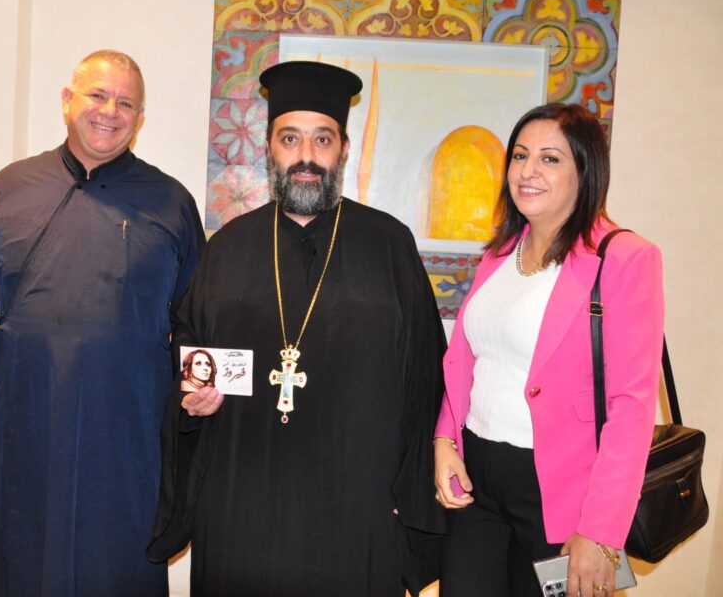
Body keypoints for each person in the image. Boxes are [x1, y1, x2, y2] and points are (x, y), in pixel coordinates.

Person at [148, 60, 447, 596]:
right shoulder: (228, 249)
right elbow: (188, 360)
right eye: (290, 138)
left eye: (322, 139)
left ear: (344, 150)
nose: (306, 156)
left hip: (356, 508)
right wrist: (192, 405)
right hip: (242, 504)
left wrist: (412, 494)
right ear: (269, 147)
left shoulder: (389, 246)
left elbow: (427, 381)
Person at [0, 49, 205, 596]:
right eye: (97, 95)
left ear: (140, 117)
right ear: (67, 100)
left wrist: (202, 387)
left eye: (126, 103)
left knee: (116, 561)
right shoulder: (10, 188)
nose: (110, 111)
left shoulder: (171, 203)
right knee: (23, 556)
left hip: (125, 431)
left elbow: (196, 320)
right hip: (26, 421)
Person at [433, 103, 665, 597]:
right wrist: (445, 440)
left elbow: (633, 404)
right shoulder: (500, 253)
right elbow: (468, 362)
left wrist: (601, 532)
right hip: (477, 485)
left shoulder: (624, 257)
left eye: (550, 159)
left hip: (560, 497)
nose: (528, 171)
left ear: (586, 170)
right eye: (520, 156)